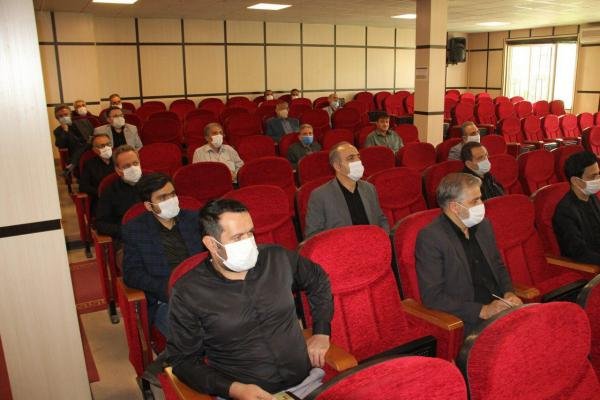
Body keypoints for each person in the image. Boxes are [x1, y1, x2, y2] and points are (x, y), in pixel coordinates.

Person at [167, 199, 333, 399]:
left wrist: (322, 331)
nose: (248, 242)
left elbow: (318, 279)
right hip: (244, 394)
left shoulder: (276, 258)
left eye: (250, 233)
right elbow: (183, 361)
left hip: (307, 383)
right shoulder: (189, 291)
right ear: (211, 243)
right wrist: (235, 389)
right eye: (238, 237)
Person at [416, 173, 522, 335]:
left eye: (480, 198)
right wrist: (482, 310)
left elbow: (498, 265)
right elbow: (433, 296)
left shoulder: (483, 225)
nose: (482, 204)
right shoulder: (431, 238)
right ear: (455, 207)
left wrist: (509, 293)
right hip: (468, 319)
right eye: (475, 201)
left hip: (501, 308)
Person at [122, 173, 204, 339]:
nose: (171, 200)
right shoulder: (135, 230)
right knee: (193, 338)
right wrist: (166, 288)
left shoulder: (194, 220)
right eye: (162, 198)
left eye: (172, 194)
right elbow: (132, 274)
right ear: (149, 205)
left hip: (203, 290)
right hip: (167, 299)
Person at [305, 141, 389, 238]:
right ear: (337, 166)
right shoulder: (319, 196)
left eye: (358, 157)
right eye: (351, 158)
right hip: (341, 246)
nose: (358, 161)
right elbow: (313, 235)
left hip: (372, 242)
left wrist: (383, 238)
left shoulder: (369, 188)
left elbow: (381, 219)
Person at [553, 151, 600, 265]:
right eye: (592, 176)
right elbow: (579, 253)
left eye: (598, 174)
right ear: (575, 181)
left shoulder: (592, 197)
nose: (598, 179)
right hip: (587, 266)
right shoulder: (565, 212)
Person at [95, 145, 144, 239]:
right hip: (128, 238)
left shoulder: (154, 183)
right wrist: (125, 231)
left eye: (135, 163)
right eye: (127, 166)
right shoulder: (110, 192)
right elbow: (101, 224)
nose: (133, 168)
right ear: (118, 170)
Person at [79, 133, 115, 214]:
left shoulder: (119, 160)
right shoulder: (89, 164)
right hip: (102, 202)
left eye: (108, 144)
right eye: (102, 146)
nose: (106, 148)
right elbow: (83, 186)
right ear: (94, 150)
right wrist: (100, 192)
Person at [53, 104, 93, 172]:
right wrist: (65, 131)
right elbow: (61, 145)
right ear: (57, 119)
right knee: (84, 146)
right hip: (74, 151)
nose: (64, 117)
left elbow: (92, 135)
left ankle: (73, 163)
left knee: (87, 144)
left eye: (66, 114)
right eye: (61, 116)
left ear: (70, 115)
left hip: (90, 148)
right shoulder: (57, 131)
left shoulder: (83, 122)